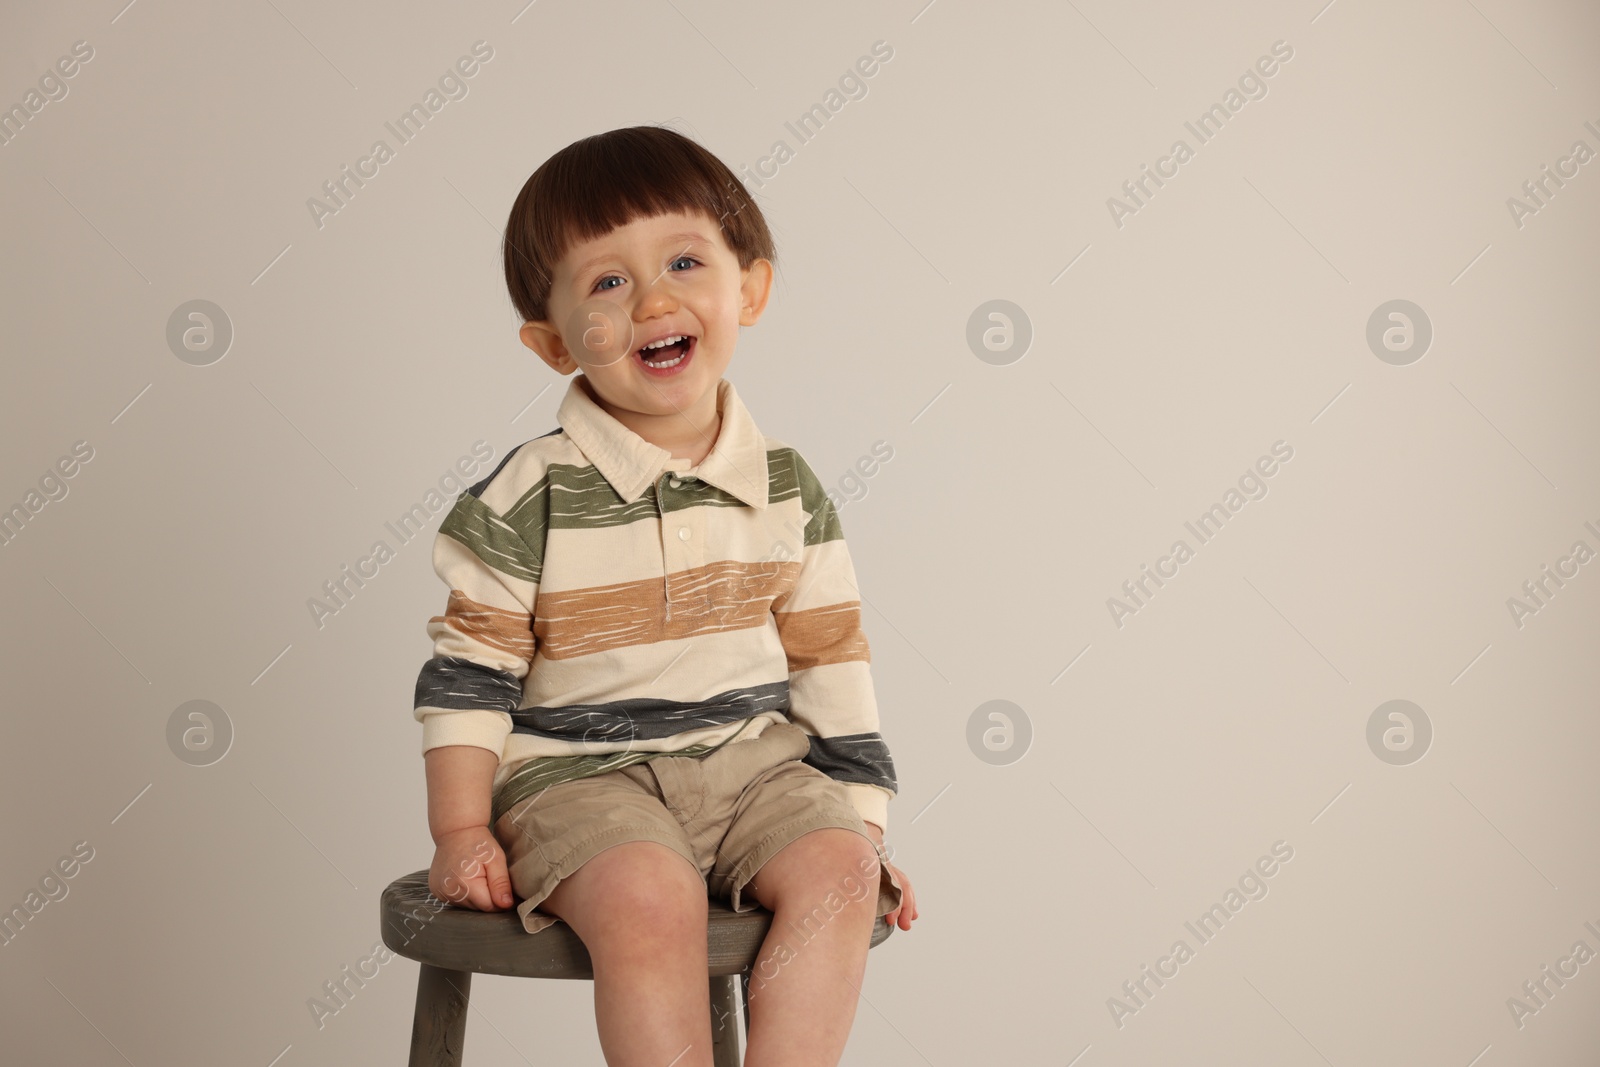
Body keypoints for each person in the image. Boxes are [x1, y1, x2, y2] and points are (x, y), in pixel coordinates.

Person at [411, 124, 918, 1066]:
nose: (651, 298)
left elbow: (830, 659)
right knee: (653, 897)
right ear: (552, 342)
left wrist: (863, 822)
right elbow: (469, 672)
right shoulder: (532, 494)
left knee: (844, 872)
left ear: (750, 288)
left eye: (684, 260)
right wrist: (461, 828)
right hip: (579, 780)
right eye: (606, 282)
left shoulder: (786, 485)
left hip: (757, 770)